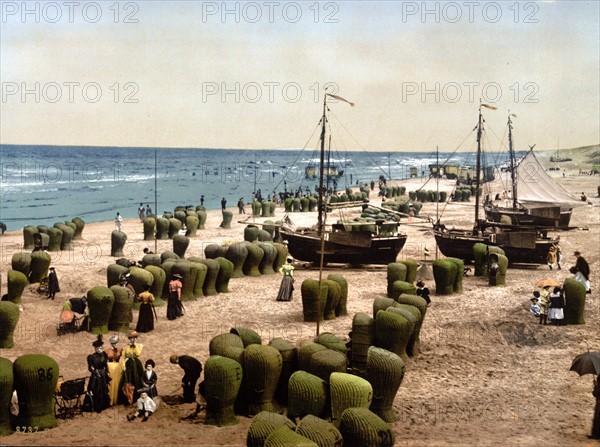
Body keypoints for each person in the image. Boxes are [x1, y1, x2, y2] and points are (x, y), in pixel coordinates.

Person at [118, 331, 144, 405]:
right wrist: (123, 366)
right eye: (131, 338)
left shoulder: (139, 346)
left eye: (134, 338)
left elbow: (137, 354)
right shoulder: (126, 347)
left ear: (136, 339)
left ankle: (136, 397)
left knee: (137, 379)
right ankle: (127, 397)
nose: (132, 340)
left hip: (136, 364)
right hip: (129, 364)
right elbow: (123, 357)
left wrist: (135, 346)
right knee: (128, 380)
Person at [87, 335, 111, 413]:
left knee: (104, 389)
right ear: (96, 349)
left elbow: (105, 365)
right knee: (96, 390)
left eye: (102, 347)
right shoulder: (92, 357)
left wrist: (106, 372)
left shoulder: (104, 354)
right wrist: (95, 372)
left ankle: (104, 405)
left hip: (103, 375)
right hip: (96, 377)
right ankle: (97, 406)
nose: (101, 349)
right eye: (99, 348)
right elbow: (90, 368)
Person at [105, 335, 123, 406]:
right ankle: (111, 400)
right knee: (111, 383)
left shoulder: (120, 350)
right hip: (110, 367)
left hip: (118, 367)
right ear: (110, 343)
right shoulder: (107, 351)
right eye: (113, 343)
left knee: (118, 383)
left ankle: (117, 399)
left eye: (115, 343)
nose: (114, 344)